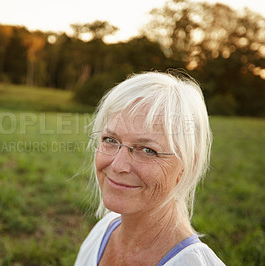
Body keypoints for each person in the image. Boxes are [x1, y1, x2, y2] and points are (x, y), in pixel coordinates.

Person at [75, 71, 225, 265]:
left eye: (147, 150)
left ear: (187, 165)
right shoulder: (103, 231)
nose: (118, 165)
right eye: (110, 140)